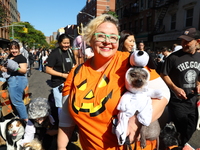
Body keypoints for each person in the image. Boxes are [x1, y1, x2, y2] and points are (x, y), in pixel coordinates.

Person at [57, 14, 170, 150]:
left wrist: (136, 122)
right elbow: (66, 117)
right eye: (101, 36)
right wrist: (61, 147)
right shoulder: (76, 72)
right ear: (90, 39)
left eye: (113, 37)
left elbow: (163, 93)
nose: (107, 41)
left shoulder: (129, 62)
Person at [160, 28, 200, 146]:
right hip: (177, 101)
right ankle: (177, 146)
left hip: (192, 100)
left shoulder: (199, 57)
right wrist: (175, 88)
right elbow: (164, 74)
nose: (183, 44)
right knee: (180, 128)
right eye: (182, 41)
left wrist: (199, 85)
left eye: (187, 41)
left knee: (192, 127)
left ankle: (180, 145)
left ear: (197, 41)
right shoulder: (173, 57)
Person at [45, 34, 76, 117]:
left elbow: (74, 64)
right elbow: (47, 69)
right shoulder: (55, 53)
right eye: (64, 43)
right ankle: (61, 124)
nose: (66, 45)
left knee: (69, 104)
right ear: (59, 43)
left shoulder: (70, 52)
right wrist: (63, 75)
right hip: (58, 83)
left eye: (68, 43)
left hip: (69, 82)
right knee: (61, 106)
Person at [0, 41, 28, 121]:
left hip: (18, 79)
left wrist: (16, 68)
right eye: (12, 49)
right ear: (9, 50)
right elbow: (4, 66)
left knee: (17, 101)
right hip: (11, 80)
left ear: (19, 49)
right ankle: (20, 117)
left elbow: (24, 70)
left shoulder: (21, 58)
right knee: (14, 100)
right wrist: (2, 68)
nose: (14, 51)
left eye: (15, 49)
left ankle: (25, 120)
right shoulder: (9, 57)